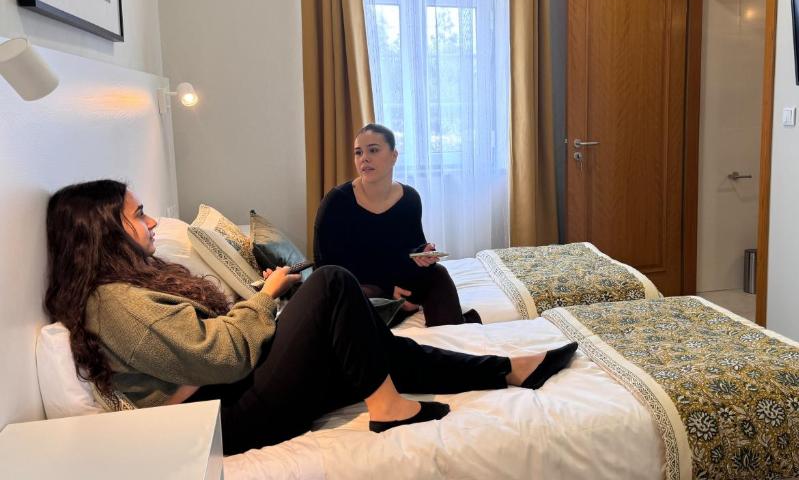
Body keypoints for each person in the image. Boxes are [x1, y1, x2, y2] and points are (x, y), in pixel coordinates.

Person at [44, 180, 578, 455]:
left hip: (231, 394)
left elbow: (209, 345)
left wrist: (269, 301)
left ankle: (506, 371)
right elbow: (224, 356)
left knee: (375, 344)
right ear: (103, 231)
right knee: (332, 280)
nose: (152, 222)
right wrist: (266, 297)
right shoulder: (115, 304)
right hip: (227, 418)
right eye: (138, 214)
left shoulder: (124, 288)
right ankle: (388, 408)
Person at [314, 123, 476, 327]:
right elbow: (327, 268)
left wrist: (422, 253)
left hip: (400, 280)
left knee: (438, 274)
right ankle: (395, 306)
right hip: (360, 283)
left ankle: (450, 331)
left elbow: (410, 249)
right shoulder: (336, 202)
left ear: (394, 156)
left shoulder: (410, 198)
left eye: (373, 150)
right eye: (358, 152)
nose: (364, 158)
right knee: (355, 292)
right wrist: (388, 289)